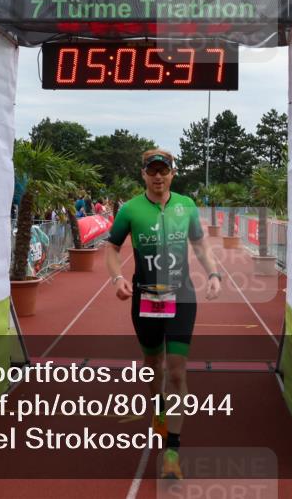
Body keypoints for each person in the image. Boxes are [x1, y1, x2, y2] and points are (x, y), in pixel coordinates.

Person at [105, 149, 222, 480]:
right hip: (147, 298)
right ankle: (158, 409)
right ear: (143, 174)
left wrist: (213, 273)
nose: (158, 176)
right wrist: (116, 277)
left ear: (173, 173)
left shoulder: (186, 205)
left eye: (164, 171)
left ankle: (172, 448)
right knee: (153, 367)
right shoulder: (130, 209)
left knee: (176, 372)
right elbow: (112, 248)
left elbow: (199, 245)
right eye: (152, 171)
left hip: (182, 297)